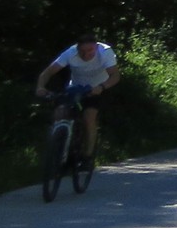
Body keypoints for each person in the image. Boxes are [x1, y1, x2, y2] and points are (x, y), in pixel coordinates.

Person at [36, 33, 118, 162]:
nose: (86, 55)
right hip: (75, 87)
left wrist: (102, 87)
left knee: (89, 116)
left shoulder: (105, 52)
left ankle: (87, 156)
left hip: (97, 88)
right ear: (77, 48)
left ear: (96, 47)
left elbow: (115, 76)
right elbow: (48, 72)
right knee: (60, 111)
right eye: (82, 51)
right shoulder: (70, 53)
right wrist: (40, 87)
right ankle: (59, 145)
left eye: (90, 51)